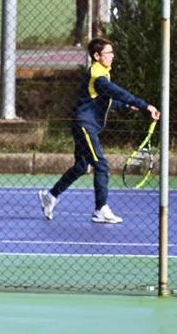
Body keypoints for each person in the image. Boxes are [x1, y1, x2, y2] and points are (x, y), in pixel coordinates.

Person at [38, 38, 160, 225]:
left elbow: (106, 100)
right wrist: (144, 105)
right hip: (85, 126)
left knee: (81, 167)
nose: (112, 56)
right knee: (101, 165)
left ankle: (51, 195)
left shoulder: (102, 73)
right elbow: (117, 92)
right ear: (97, 56)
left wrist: (128, 107)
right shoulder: (98, 76)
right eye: (108, 53)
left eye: (112, 52)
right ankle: (100, 209)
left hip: (85, 124)